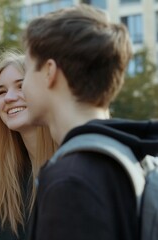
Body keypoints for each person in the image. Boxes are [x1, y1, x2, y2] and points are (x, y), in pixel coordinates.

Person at [22, 4, 158, 240]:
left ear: (49, 72)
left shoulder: (71, 182)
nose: (22, 85)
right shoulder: (134, 157)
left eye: (26, 70)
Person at [0, 50, 57, 239]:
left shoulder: (74, 169)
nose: (9, 97)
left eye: (21, 86)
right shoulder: (4, 186)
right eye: (1, 92)